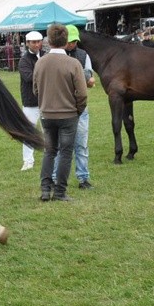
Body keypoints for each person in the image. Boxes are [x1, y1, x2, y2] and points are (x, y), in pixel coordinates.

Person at [32, 24, 88, 202]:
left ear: (49, 40)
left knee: (49, 152)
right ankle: (60, 191)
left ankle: (45, 190)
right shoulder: (73, 63)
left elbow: (35, 89)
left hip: (47, 114)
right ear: (65, 41)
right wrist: (77, 110)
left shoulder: (40, 62)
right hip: (68, 114)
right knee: (65, 152)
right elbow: (82, 93)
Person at [62, 25, 95, 190]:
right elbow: (87, 79)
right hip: (63, 107)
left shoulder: (83, 55)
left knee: (81, 145)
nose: (72, 44)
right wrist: (81, 77)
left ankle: (83, 178)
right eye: (70, 41)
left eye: (74, 41)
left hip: (80, 107)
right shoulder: (56, 57)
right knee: (62, 147)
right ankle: (58, 179)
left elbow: (90, 76)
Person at [17, 30, 45, 171]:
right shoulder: (24, 61)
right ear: (27, 43)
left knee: (49, 130)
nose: (37, 44)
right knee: (28, 132)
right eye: (33, 42)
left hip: (46, 100)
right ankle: (28, 160)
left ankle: (50, 155)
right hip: (31, 102)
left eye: (39, 41)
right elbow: (29, 78)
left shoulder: (45, 56)